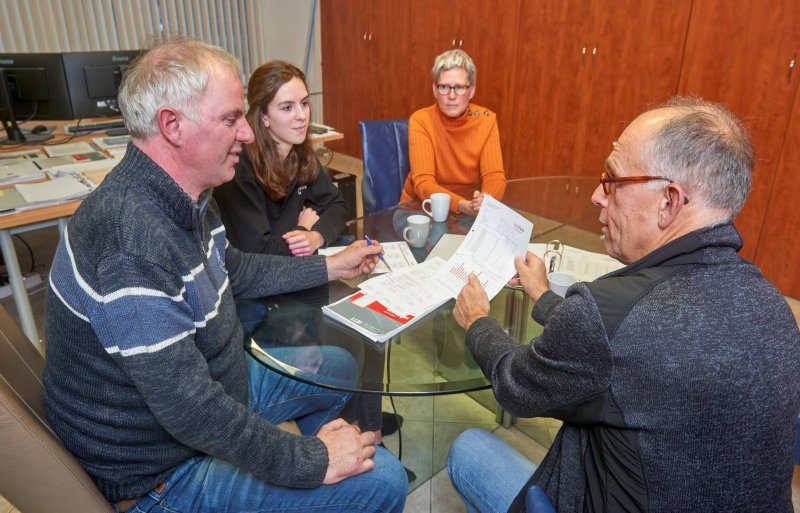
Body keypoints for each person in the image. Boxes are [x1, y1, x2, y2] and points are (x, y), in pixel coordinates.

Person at [42, 37, 407, 513]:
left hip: (215, 388)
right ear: (171, 125)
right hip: (160, 470)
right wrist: (309, 459)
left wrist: (329, 264)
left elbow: (232, 269)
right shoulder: (131, 243)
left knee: (337, 367)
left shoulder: (186, 197)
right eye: (231, 118)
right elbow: (190, 410)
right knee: (385, 481)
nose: (249, 134)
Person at [447, 97, 800, 513]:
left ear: (669, 201)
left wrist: (476, 321)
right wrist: (543, 298)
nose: (597, 196)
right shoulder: (776, 311)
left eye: (612, 181)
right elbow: (631, 347)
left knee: (467, 450)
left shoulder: (607, 312)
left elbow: (515, 385)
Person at [213, 60, 348, 257]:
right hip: (260, 281)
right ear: (264, 116)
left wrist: (316, 236)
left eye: (304, 103)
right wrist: (302, 229)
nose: (302, 115)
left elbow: (337, 205)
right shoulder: (239, 167)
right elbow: (260, 252)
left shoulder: (301, 154)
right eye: (287, 108)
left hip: (293, 271)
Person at [399, 48, 507, 215]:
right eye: (444, 87)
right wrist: (462, 205)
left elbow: (495, 177)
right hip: (421, 209)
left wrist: (485, 200)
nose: (451, 95)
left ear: (471, 91)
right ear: (435, 90)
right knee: (440, 241)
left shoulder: (486, 120)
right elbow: (423, 183)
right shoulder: (421, 120)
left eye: (459, 87)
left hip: (471, 210)